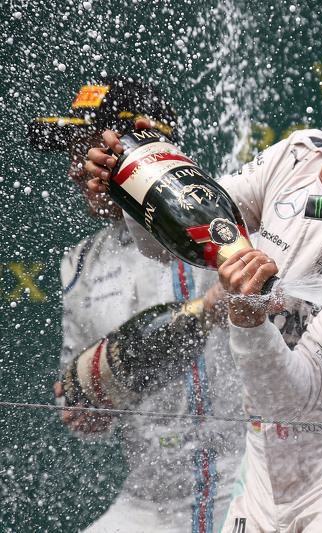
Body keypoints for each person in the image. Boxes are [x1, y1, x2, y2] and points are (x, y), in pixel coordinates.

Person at [88, 32, 322, 533]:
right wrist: (132, 187)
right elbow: (169, 242)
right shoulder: (295, 156)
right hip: (260, 472)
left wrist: (246, 314)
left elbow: (289, 397)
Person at [28, 77, 243, 533]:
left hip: (248, 482)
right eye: (72, 153)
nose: (74, 170)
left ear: (140, 139)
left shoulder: (226, 213)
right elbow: (81, 404)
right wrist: (87, 405)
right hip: (151, 500)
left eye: (88, 149)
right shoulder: (79, 264)